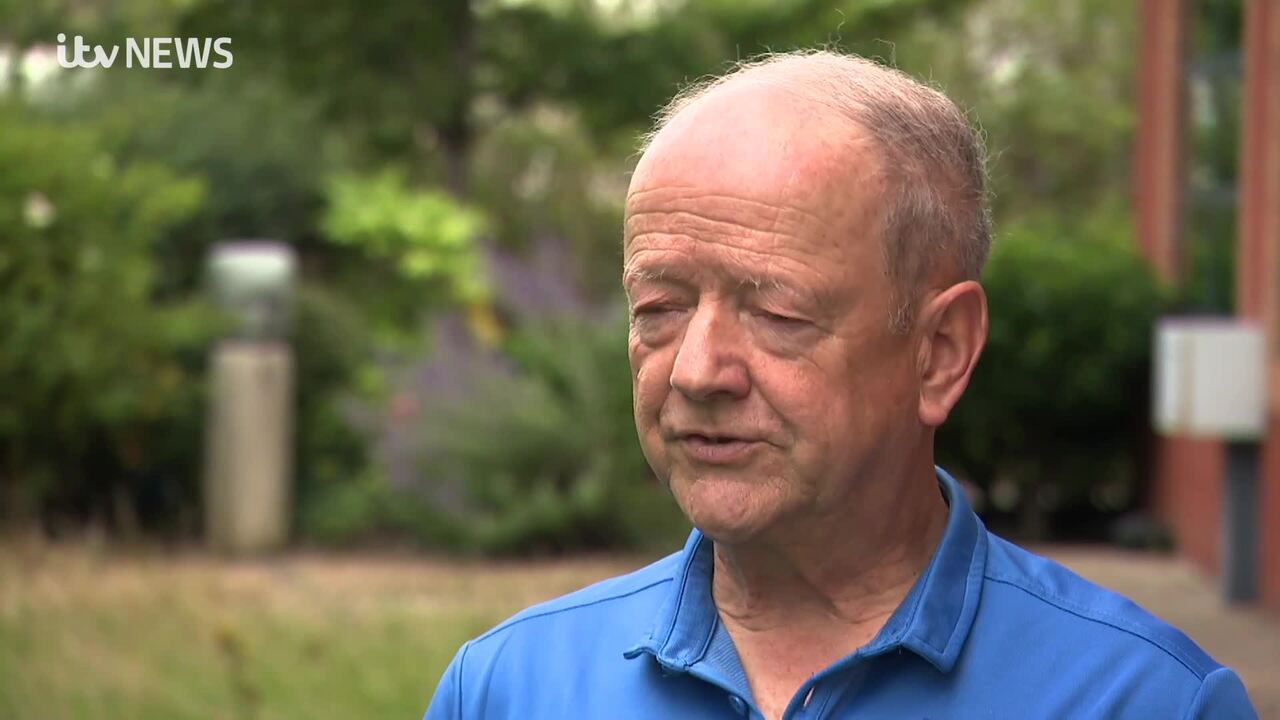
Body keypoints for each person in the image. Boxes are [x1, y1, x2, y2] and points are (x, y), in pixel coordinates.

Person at [423, 50, 1258, 719]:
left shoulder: (1142, 701)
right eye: (660, 307)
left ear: (939, 353)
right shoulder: (505, 689)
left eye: (777, 313)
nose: (696, 369)